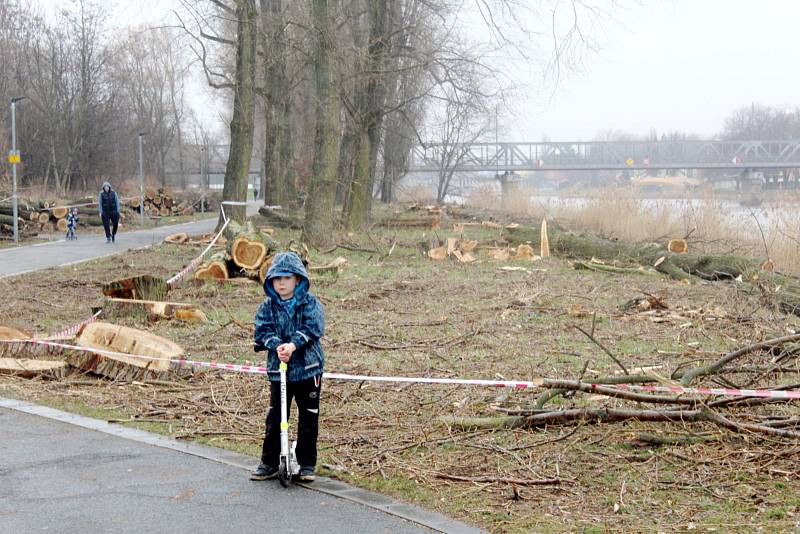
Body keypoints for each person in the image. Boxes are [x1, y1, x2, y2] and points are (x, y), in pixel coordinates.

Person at [251, 251, 325, 483]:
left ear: (297, 280)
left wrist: (293, 345)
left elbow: (314, 327)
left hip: (308, 369)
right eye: (277, 278)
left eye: (286, 278)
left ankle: (306, 464)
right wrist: (277, 346)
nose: (281, 283)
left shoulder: (310, 303)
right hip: (278, 370)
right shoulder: (267, 307)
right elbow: (261, 332)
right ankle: (270, 462)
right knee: (276, 416)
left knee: (308, 417)